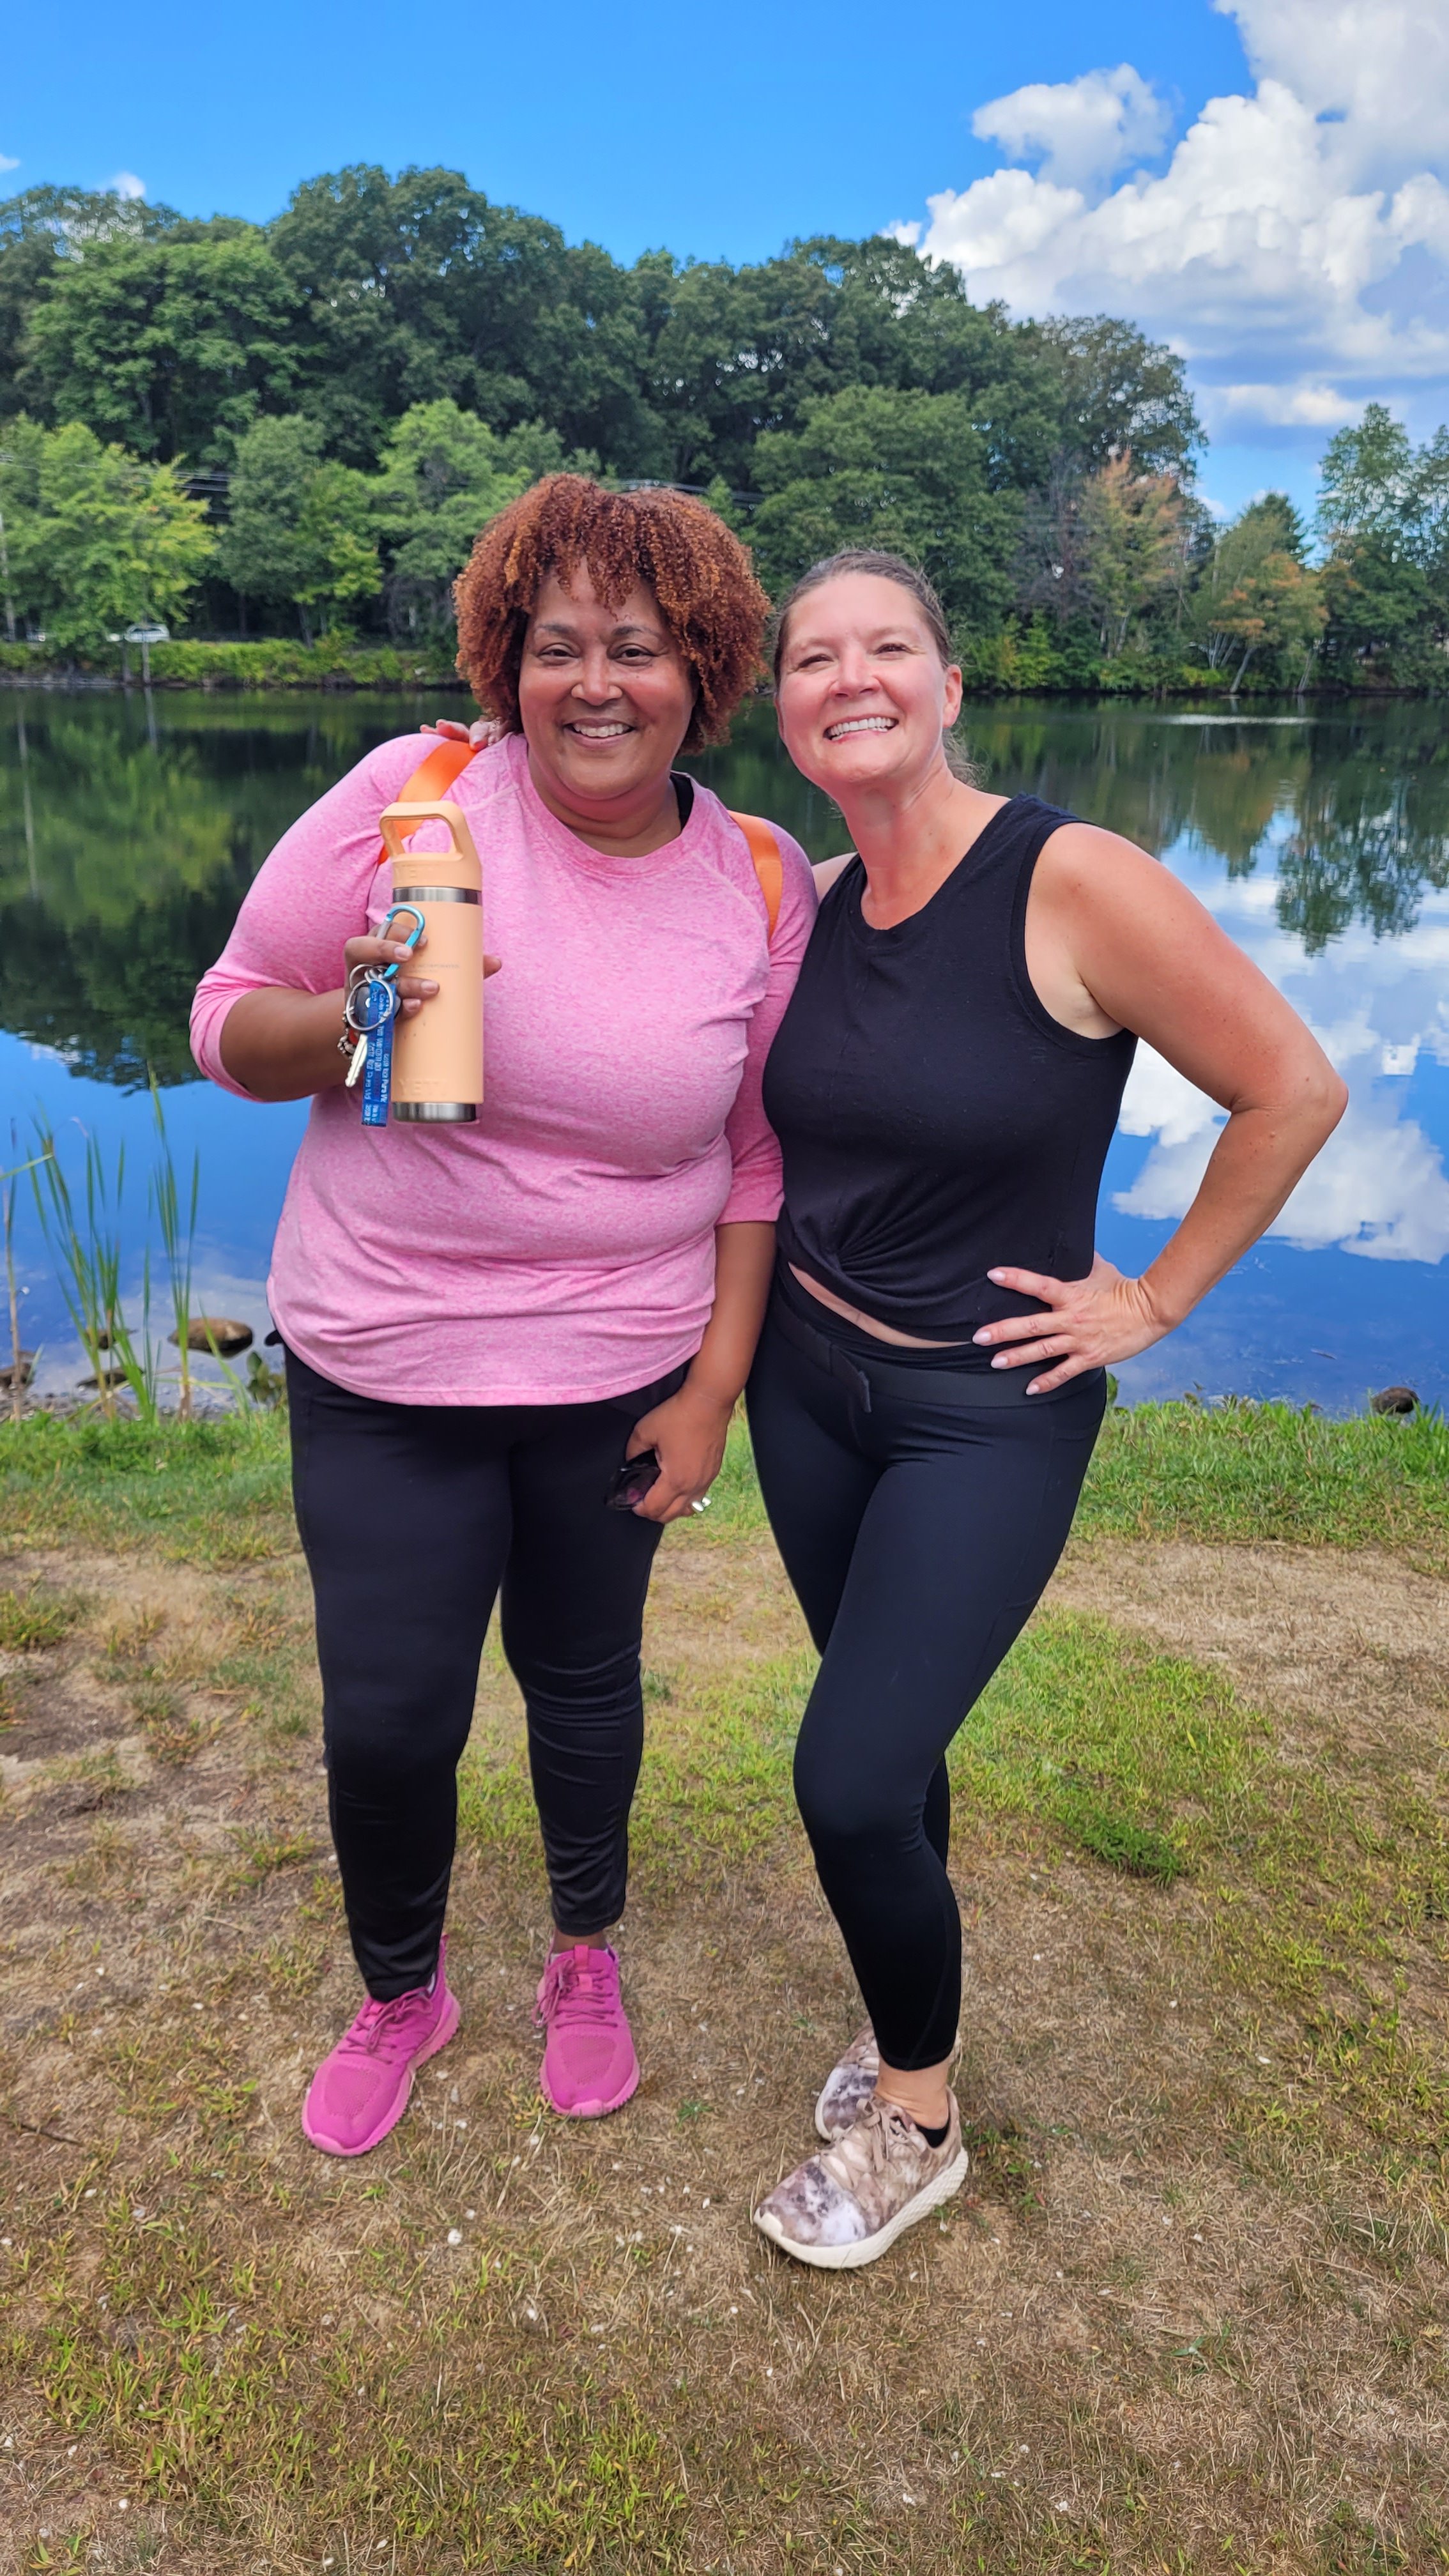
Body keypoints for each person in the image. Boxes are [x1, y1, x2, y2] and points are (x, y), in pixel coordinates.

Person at [190, 477, 814, 2157]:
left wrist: (715, 1392)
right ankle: (403, 1987)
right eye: (556, 648)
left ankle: (582, 1953)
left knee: (582, 1683)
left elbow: (755, 1155)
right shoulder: (418, 799)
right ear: (500, 660)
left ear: (703, 668)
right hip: (387, 1358)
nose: (594, 685)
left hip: (617, 1374)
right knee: (393, 1709)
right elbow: (226, 1022)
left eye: (637, 647)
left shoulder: (757, 880)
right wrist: (348, 1023)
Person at [746, 548, 1347, 2269]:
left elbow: (1291, 1087)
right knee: (895, 1747)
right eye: (810, 658)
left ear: (948, 685)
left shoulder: (1067, 876)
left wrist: (1153, 1295)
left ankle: (917, 2123)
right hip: (809, 1382)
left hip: (981, 1415)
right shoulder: (820, 899)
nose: (847, 678)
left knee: (847, 1780)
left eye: (885, 649)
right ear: (785, 708)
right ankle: (902, 2015)